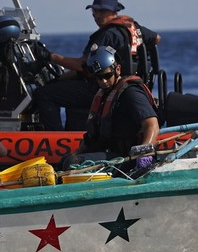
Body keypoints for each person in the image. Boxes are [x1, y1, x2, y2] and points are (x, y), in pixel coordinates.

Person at [33, 0, 160, 131]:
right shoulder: (134, 28)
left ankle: (55, 137)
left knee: (44, 93)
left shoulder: (107, 34)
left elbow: (82, 66)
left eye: (102, 11)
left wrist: (49, 57)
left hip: (102, 87)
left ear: (114, 11)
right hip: (128, 84)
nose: (97, 15)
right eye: (95, 11)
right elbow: (156, 38)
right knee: (60, 86)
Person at [61, 44, 160, 172]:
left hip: (129, 158)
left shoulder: (131, 93)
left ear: (117, 69)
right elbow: (92, 138)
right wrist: (75, 153)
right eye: (98, 77)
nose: (103, 81)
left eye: (107, 76)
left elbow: (152, 125)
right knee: (66, 160)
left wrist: (144, 155)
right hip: (111, 154)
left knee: (73, 162)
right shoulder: (103, 95)